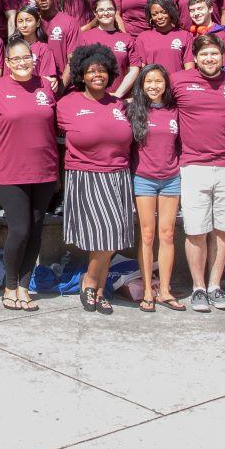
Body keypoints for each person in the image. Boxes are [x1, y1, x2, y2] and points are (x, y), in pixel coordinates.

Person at [0, 36, 61, 312]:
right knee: (20, 229)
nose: (23, 63)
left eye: (27, 57)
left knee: (36, 231)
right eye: (16, 59)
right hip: (11, 172)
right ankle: (10, 285)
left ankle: (25, 287)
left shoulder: (45, 87)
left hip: (44, 170)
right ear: (8, 63)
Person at [170, 33, 225, 311]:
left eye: (214, 53)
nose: (209, 59)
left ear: (222, 55)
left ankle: (215, 286)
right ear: (195, 58)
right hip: (193, 165)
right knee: (196, 230)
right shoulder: (178, 81)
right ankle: (198, 288)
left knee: (222, 229)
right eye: (204, 54)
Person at [58, 44, 136, 314]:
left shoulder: (118, 104)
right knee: (104, 235)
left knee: (113, 236)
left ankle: (100, 289)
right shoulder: (66, 104)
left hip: (118, 176)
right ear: (82, 74)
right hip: (86, 175)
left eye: (102, 70)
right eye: (91, 71)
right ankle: (89, 281)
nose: (97, 75)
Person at [126, 64, 184, 312]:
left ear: (166, 84)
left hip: (171, 178)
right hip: (144, 179)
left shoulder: (174, 110)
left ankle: (166, 290)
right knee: (148, 235)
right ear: (141, 84)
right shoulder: (133, 110)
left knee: (168, 234)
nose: (153, 86)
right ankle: (149, 289)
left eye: (158, 81)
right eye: (148, 81)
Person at [131, 0, 189, 76]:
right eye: (155, 14)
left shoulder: (185, 35)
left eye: (163, 12)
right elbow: (141, 70)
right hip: (153, 85)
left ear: (170, 12)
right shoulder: (143, 38)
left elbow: (189, 70)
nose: (160, 17)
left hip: (177, 86)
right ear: (151, 17)